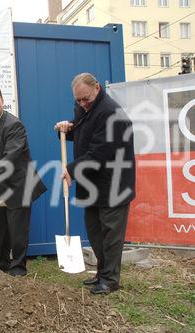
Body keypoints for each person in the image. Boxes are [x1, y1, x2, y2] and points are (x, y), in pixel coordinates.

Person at [54, 72, 136, 295]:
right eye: (78, 100)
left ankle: (110, 280)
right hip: (92, 184)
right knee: (95, 233)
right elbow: (85, 131)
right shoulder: (84, 106)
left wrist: (70, 169)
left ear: (97, 88)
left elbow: (100, 153)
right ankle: (101, 273)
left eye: (85, 99)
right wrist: (68, 128)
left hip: (113, 185)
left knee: (110, 235)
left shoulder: (112, 115)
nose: (82, 104)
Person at [0, 84, 46, 277]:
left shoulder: (14, 125)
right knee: (0, 226)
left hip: (20, 184)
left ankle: (18, 268)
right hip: (0, 185)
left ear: (2, 102)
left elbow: (11, 157)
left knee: (17, 230)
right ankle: (0, 264)